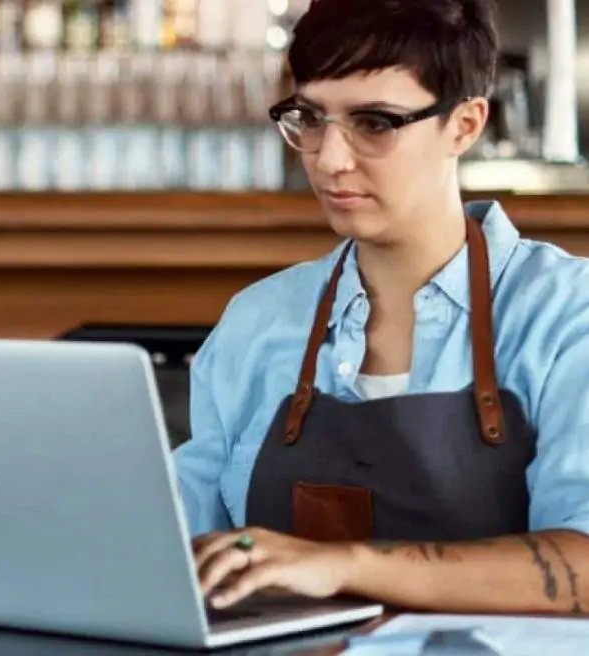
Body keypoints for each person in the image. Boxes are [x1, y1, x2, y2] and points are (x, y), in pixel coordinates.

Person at [174, 0, 589, 615]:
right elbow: (182, 548)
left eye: (375, 122)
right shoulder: (256, 323)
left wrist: (342, 563)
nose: (329, 158)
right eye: (309, 118)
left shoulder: (566, 316)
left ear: (465, 125)